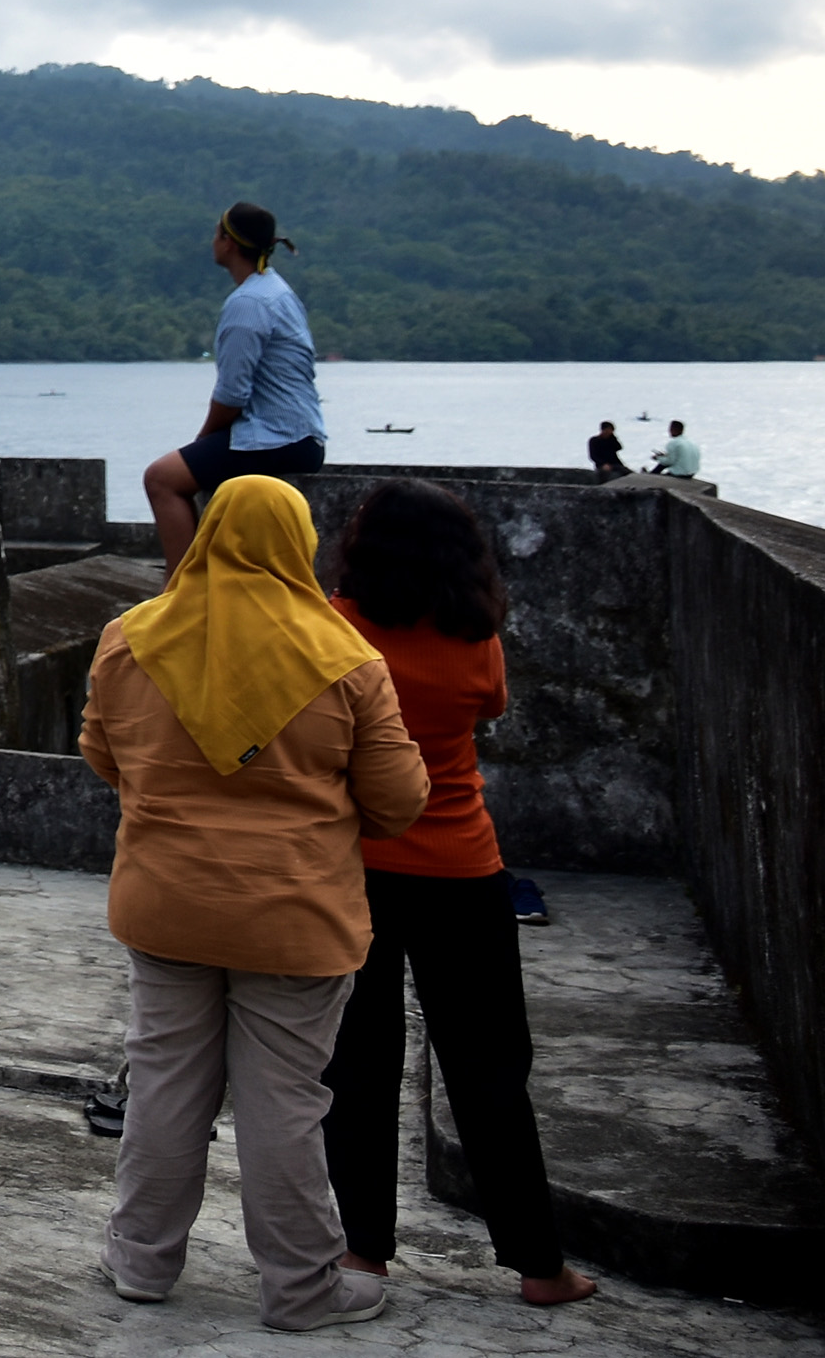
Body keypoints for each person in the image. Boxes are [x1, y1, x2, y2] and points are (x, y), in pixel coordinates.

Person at [81, 476, 427, 1330]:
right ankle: (302, 1287)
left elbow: (100, 751)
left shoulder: (131, 637)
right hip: (294, 915)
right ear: (295, 541)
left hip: (165, 901)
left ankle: (140, 1260)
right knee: (286, 1101)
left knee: (164, 1082)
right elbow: (396, 802)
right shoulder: (344, 656)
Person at [318, 480, 599, 1308]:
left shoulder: (335, 627)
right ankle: (539, 1264)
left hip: (358, 867)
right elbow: (490, 709)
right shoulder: (479, 638)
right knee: (489, 1071)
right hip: (464, 870)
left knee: (359, 1066)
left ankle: (364, 1250)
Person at [145, 202, 325, 571]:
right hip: (301, 436)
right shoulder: (276, 290)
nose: (213, 241)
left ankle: (178, 590)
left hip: (275, 438)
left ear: (228, 243)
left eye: (217, 233)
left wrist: (200, 444)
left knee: (162, 478)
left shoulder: (247, 303)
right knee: (188, 469)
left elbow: (231, 398)